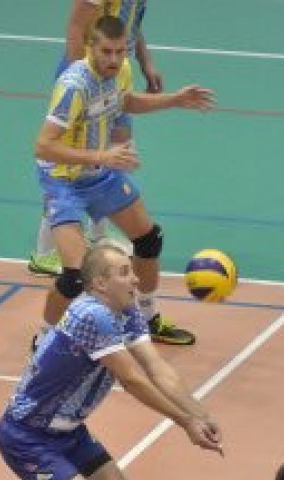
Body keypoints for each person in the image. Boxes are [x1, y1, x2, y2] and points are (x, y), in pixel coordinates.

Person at [0, 243, 223, 480]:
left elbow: (156, 367)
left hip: (68, 432)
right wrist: (185, 423)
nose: (135, 279)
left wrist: (199, 413)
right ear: (100, 283)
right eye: (124, 272)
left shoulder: (126, 311)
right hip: (28, 435)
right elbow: (133, 379)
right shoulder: (92, 315)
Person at [33, 14, 215, 346]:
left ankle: (146, 319)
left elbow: (126, 101)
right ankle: (44, 338)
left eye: (120, 52)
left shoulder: (118, 73)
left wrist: (174, 99)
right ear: (90, 47)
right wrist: (101, 156)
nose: (114, 59)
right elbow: (43, 146)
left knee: (149, 240)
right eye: (107, 52)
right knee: (75, 278)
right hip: (64, 182)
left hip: (100, 174)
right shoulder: (74, 86)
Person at [29, 0, 162, 277]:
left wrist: (146, 62)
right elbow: (77, 27)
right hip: (92, 72)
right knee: (66, 164)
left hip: (114, 69)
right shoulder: (79, 81)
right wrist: (86, 78)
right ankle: (45, 252)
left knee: (118, 148)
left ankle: (97, 234)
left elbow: (129, 25)